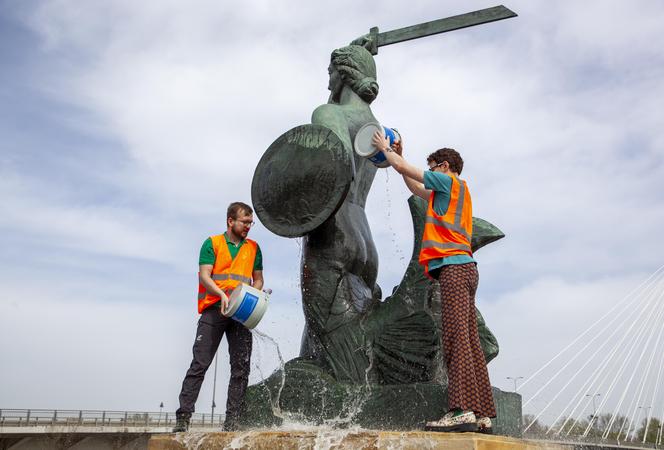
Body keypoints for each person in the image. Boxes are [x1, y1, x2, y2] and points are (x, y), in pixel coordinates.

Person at [371, 131, 496, 433]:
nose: (430, 172)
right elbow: (415, 186)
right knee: (470, 342)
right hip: (466, 268)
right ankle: (482, 413)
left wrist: (386, 150)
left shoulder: (448, 181)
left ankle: (461, 410)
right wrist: (401, 155)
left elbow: (404, 169)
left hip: (453, 269)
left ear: (443, 166)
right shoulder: (455, 191)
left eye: (432, 167)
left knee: (454, 339)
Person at [173, 202, 264, 432]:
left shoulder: (254, 248)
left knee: (241, 368)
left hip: (241, 312)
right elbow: (205, 276)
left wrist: (256, 293)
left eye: (250, 223)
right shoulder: (212, 243)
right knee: (200, 364)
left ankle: (233, 421)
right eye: (245, 222)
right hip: (214, 308)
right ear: (230, 221)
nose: (248, 227)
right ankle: (183, 417)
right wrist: (222, 294)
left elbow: (258, 279)